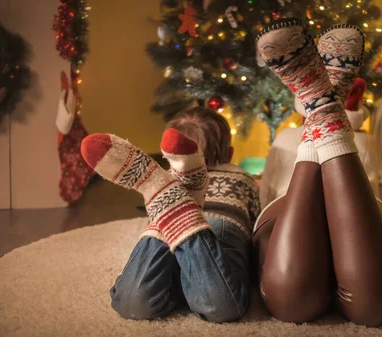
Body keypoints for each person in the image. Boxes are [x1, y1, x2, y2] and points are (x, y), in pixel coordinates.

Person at [252, 19, 382, 326]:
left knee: (372, 306)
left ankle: (317, 103)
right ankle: (324, 103)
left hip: (284, 210)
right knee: (360, 304)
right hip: (362, 212)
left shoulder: (280, 147)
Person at [80, 107, 260, 323]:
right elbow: (256, 223)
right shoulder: (244, 178)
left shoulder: (167, 185)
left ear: (169, 158)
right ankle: (187, 199)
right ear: (230, 154)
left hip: (170, 230)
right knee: (221, 307)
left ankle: (163, 190)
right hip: (222, 226)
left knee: (131, 304)